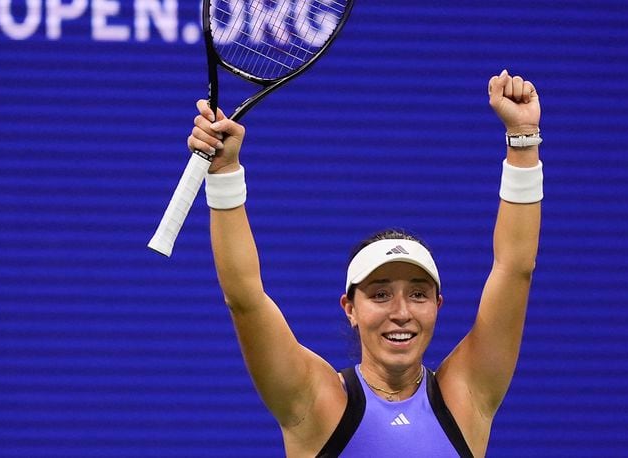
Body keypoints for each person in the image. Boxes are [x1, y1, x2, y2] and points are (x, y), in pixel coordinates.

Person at [187, 69, 542, 457]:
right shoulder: (314, 402)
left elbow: (514, 267)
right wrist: (224, 173)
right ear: (350, 308)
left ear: (438, 306)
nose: (401, 312)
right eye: (381, 294)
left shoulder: (467, 395)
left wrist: (523, 140)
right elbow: (244, 297)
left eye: (418, 294)